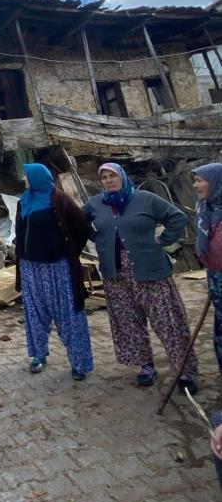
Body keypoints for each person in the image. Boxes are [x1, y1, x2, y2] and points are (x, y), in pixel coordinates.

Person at [85, 161, 198, 392]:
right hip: (115, 273)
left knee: (168, 322)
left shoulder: (145, 199)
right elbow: (78, 223)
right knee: (128, 322)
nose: (108, 181)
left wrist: (162, 241)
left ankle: (185, 373)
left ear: (122, 177)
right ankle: (146, 367)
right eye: (104, 177)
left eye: (112, 176)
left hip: (150, 270)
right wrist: (98, 240)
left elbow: (177, 218)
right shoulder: (96, 204)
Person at [15, 163, 93, 380]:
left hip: (58, 267)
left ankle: (79, 363)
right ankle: (39, 355)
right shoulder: (24, 201)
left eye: (27, 175)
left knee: (69, 314)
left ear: (38, 177)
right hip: (31, 267)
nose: (24, 179)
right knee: (35, 314)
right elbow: (20, 232)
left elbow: (82, 227)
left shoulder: (59, 199)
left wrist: (70, 252)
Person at [192, 162, 222, 374]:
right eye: (195, 180)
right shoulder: (206, 210)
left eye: (200, 180)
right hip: (216, 281)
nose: (195, 185)